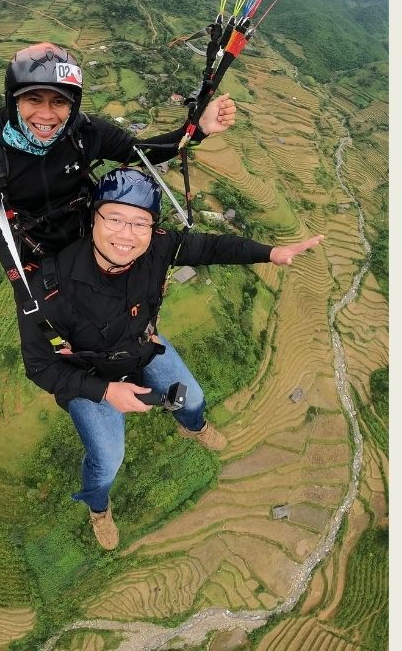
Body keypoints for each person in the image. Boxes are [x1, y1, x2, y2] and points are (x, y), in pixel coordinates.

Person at [18, 167, 323, 550]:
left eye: (140, 224)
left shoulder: (159, 247)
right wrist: (106, 391)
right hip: (90, 376)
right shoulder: (49, 288)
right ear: (93, 219)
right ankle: (98, 508)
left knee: (191, 399)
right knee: (107, 459)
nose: (126, 235)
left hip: (142, 350)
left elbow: (211, 248)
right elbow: (40, 366)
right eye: (115, 219)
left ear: (152, 228)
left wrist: (271, 253)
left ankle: (192, 427)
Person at [0, 41, 237, 274]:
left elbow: (140, 154)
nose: (46, 115)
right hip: (34, 253)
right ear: (14, 101)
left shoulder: (84, 133)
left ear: (72, 106)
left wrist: (198, 130)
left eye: (59, 102)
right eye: (34, 99)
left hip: (87, 237)